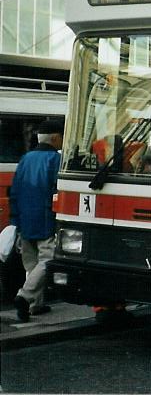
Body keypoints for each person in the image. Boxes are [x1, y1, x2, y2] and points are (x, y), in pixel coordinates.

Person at [10, 118, 63, 322]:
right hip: (44, 219)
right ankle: (25, 296)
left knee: (31, 264)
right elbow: (57, 191)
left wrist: (16, 221)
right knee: (47, 260)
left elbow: (14, 191)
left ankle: (35, 305)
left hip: (24, 220)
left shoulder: (25, 158)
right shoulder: (55, 160)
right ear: (56, 138)